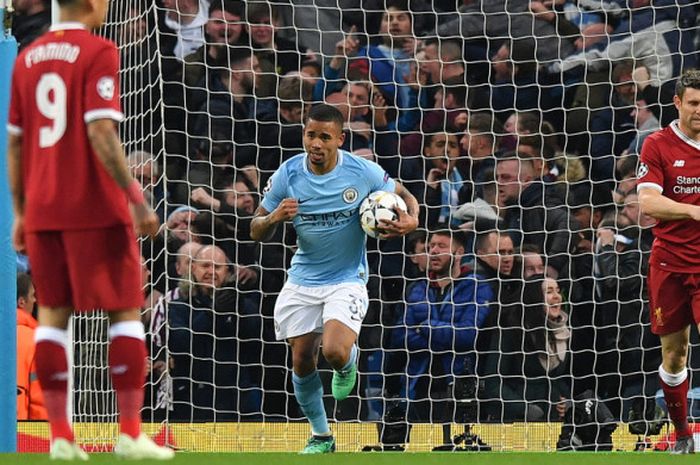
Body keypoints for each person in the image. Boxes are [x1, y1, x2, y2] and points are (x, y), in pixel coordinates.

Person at [6, 0, 172, 460]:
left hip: (42, 208)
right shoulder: (98, 50)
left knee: (54, 315)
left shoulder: (25, 58)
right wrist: (136, 197)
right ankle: (131, 435)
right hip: (93, 206)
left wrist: (20, 211)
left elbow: (15, 144)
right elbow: (101, 131)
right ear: (93, 2)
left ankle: (61, 438)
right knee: (124, 310)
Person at [250, 104, 418, 453]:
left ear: (339, 139)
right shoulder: (288, 174)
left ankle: (348, 364)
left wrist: (412, 221)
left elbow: (406, 198)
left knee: (335, 352)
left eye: (325, 136)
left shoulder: (363, 171)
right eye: (311, 135)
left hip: (347, 277)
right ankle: (322, 436)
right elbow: (255, 228)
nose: (316, 143)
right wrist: (275, 217)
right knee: (301, 360)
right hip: (303, 279)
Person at [637, 69, 700, 454]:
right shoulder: (657, 144)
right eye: (694, 103)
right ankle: (681, 433)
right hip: (669, 262)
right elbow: (647, 202)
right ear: (678, 103)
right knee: (674, 354)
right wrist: (693, 213)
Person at [16, 272, 46, 420]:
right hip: (23, 433)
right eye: (32, 295)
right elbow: (39, 402)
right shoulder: (34, 340)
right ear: (22, 302)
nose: (35, 300)